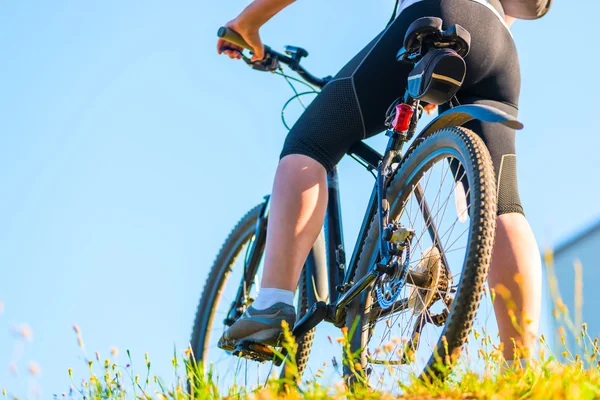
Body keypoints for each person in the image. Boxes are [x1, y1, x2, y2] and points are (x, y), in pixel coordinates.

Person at [216, 0, 543, 366]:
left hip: (436, 16)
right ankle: (522, 370)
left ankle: (270, 305)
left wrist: (248, 23)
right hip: (498, 44)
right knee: (503, 205)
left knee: (308, 144)